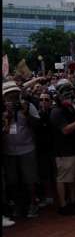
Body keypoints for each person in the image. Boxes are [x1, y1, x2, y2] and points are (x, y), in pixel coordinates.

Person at [49, 81, 75, 215]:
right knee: (63, 178)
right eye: (66, 92)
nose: (70, 95)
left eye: (70, 92)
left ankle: (73, 200)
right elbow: (65, 130)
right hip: (64, 151)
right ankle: (63, 205)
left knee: (72, 177)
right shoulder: (56, 111)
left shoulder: (71, 108)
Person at [2, 81, 41, 219]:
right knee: (12, 181)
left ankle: (32, 204)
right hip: (8, 151)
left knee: (30, 179)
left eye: (15, 95)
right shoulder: (3, 110)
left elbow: (38, 125)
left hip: (27, 149)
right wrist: (7, 117)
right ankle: (18, 206)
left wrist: (26, 113)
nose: (12, 99)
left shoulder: (27, 105)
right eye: (9, 96)